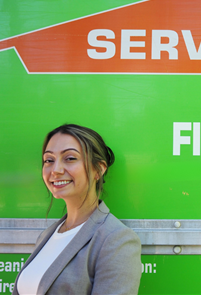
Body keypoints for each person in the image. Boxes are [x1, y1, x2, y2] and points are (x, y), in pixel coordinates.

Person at [12, 124, 142, 295]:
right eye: (49, 160)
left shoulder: (116, 240)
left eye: (70, 158)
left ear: (99, 170)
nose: (56, 170)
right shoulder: (47, 236)